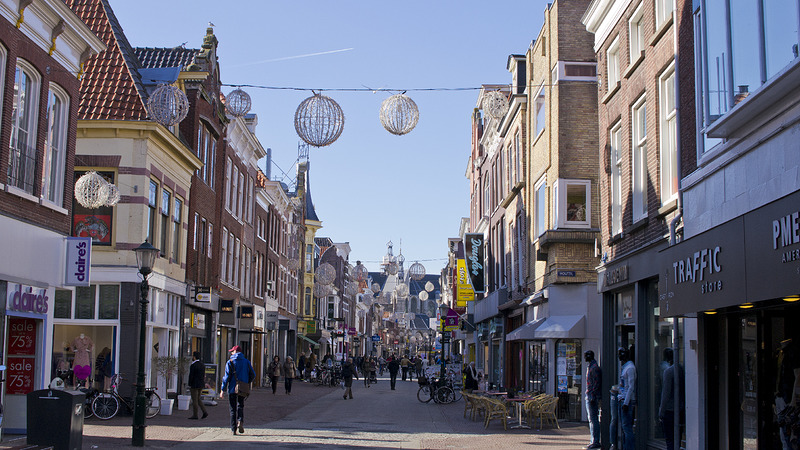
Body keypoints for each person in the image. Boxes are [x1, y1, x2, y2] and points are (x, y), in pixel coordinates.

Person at [220, 346, 255, 436]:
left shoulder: (230, 362)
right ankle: (240, 421)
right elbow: (253, 374)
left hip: (232, 388)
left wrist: (222, 389)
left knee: (232, 409)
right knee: (240, 405)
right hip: (242, 388)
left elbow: (226, 377)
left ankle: (233, 429)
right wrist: (247, 382)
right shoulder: (246, 362)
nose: (231, 353)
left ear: (235, 351)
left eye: (232, 351)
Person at [659, 348, 683, 450]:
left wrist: (661, 411)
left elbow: (666, 393)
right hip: (680, 409)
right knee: (677, 439)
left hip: (670, 410)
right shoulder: (681, 369)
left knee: (670, 440)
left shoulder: (668, 371)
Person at [618, 346, 637, 450]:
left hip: (626, 401)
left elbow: (631, 387)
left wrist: (626, 402)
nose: (619, 356)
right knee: (624, 427)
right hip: (622, 399)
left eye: (620, 353)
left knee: (627, 427)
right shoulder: (625, 367)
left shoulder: (630, 368)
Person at [585, 350, 602, 449]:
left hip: (592, 396)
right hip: (590, 395)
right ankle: (593, 440)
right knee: (591, 419)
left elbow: (596, 383)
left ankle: (595, 441)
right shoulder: (591, 366)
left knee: (593, 419)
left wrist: (592, 395)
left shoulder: (594, 368)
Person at [188, 351, 208, 420]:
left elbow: (191, 376)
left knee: (195, 400)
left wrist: (190, 384)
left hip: (194, 385)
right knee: (198, 399)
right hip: (201, 384)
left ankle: (195, 414)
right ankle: (204, 411)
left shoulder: (193, 365)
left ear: (194, 357)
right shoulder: (202, 365)